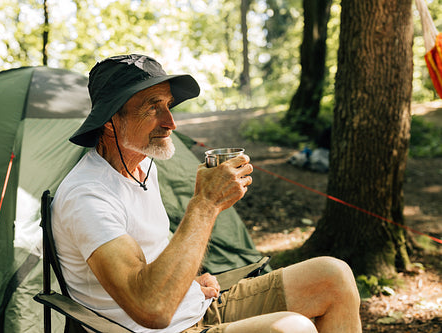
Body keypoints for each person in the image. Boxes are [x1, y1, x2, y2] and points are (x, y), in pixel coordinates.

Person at [52, 54, 362, 333]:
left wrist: (185, 284)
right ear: (109, 122)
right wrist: (205, 204)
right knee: (289, 329)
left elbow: (149, 256)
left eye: (168, 106)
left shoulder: (143, 166)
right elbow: (151, 309)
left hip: (196, 308)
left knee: (333, 275)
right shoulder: (87, 197)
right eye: (152, 108)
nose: (170, 122)